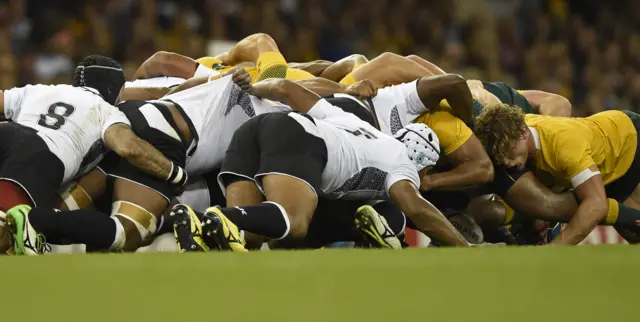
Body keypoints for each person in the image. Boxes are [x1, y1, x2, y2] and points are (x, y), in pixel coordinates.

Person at [171, 69, 472, 252]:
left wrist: (252, 89)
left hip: (256, 129)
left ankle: (191, 224)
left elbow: (287, 89)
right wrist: (463, 245)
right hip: (299, 137)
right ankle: (210, 217)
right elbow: (415, 206)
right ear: (425, 166)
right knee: (294, 221)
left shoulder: (365, 128)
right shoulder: (403, 164)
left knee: (248, 236)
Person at [0, 55, 187, 255]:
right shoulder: (107, 111)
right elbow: (130, 148)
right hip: (40, 155)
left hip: (7, 133)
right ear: (113, 89)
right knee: (6, 231)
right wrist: (175, 173)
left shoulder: (42, 89)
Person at [475, 104, 640, 245]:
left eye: (508, 151)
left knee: (632, 231)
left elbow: (597, 205)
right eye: (499, 154)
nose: (506, 161)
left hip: (629, 144)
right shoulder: (518, 132)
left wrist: (555, 247)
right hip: (607, 155)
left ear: (524, 133)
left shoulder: (564, 146)